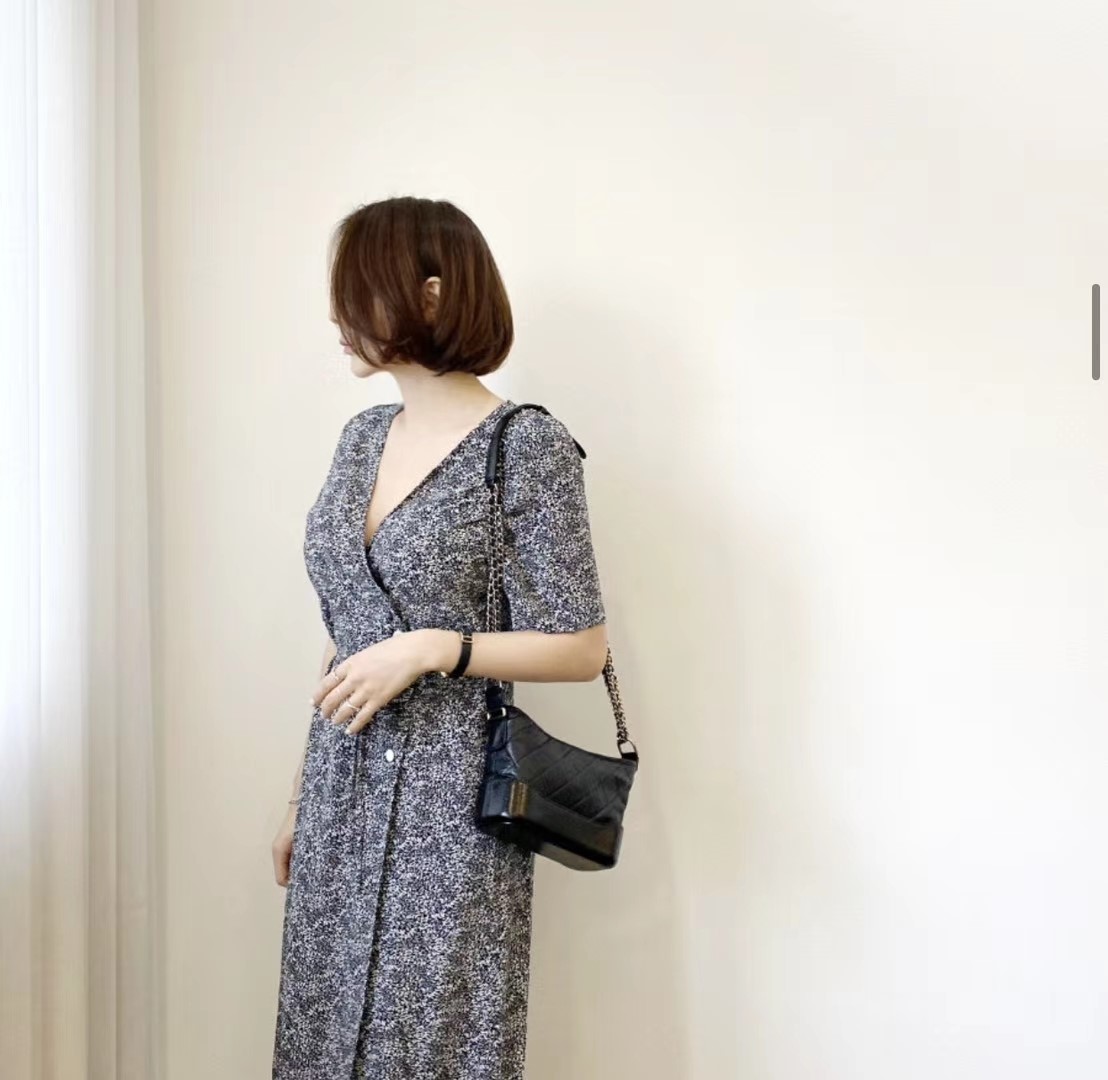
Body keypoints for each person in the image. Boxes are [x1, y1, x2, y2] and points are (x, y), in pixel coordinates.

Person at [270, 196, 610, 1079]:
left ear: (427, 294)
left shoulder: (525, 446)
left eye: (355, 289)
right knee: (320, 1043)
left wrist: (436, 647)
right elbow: (348, 627)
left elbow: (582, 647)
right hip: (342, 791)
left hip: (450, 810)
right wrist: (301, 796)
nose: (337, 316)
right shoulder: (359, 441)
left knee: (429, 1049)